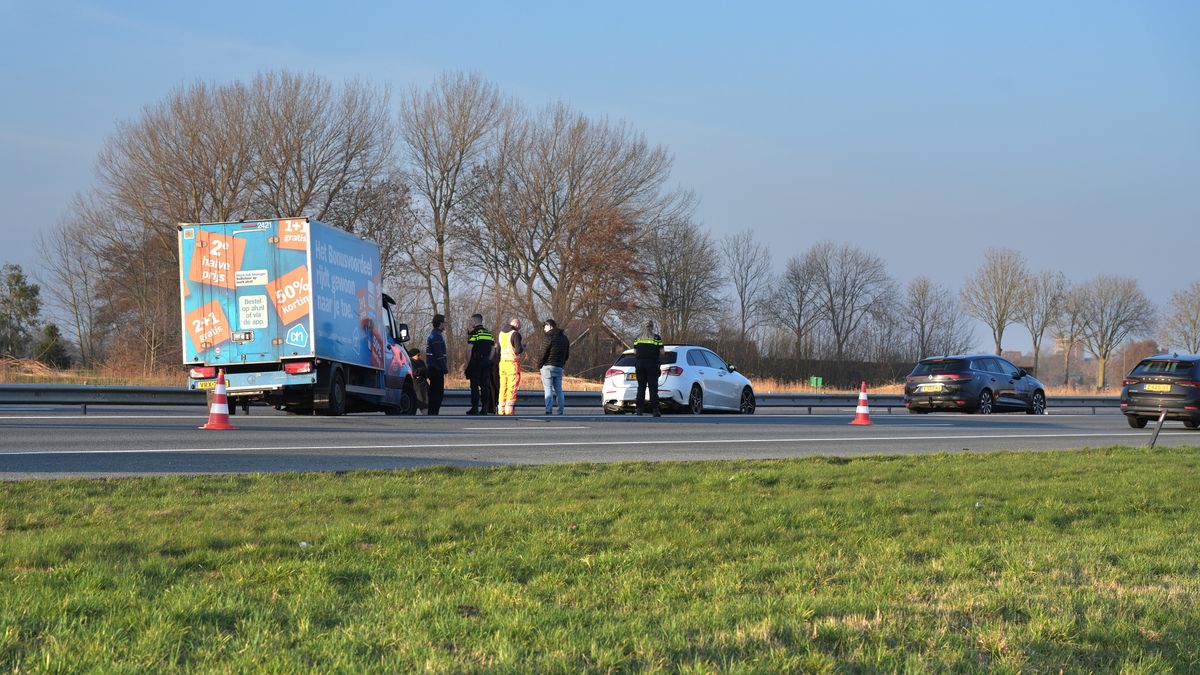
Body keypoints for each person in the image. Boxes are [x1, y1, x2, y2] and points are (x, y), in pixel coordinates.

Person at [463, 314, 495, 415]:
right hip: (486, 363)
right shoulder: (488, 333)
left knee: (474, 386)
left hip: (475, 363)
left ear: (474, 321)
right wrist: (488, 359)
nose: (470, 322)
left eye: (471, 321)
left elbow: (469, 350)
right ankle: (484, 408)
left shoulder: (474, 333)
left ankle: (475, 408)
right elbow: (493, 349)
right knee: (485, 386)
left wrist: (467, 363)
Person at [537, 318, 569, 415]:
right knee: (559, 389)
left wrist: (539, 364)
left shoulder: (548, 336)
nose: (544, 328)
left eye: (545, 326)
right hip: (559, 367)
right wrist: (561, 363)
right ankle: (560, 411)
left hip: (547, 367)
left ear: (550, 326)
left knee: (548, 388)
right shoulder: (564, 338)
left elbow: (543, 352)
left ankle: (548, 410)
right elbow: (567, 354)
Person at [633, 320, 664, 417]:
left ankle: (639, 410)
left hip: (640, 364)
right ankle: (655, 410)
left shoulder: (638, 338)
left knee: (641, 388)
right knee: (653, 388)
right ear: (652, 327)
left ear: (643, 327)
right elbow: (662, 352)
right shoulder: (656, 338)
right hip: (652, 364)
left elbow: (635, 352)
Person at [497, 318, 524, 415]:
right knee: (512, 386)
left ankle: (501, 409)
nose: (520, 328)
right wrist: (523, 348)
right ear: (517, 325)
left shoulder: (501, 334)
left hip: (502, 363)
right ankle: (509, 409)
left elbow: (497, 350)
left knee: (503, 386)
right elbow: (518, 350)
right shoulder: (515, 334)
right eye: (520, 326)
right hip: (512, 363)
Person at [425, 314, 448, 415]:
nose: (445, 325)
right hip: (436, 369)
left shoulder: (433, 334)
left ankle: (432, 412)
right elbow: (439, 355)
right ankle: (433, 413)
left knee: (434, 392)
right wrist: (444, 368)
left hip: (433, 368)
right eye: (444, 322)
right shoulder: (437, 336)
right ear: (440, 323)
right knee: (437, 393)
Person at [406, 347, 430, 414]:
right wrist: (422, 370)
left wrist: (422, 372)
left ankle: (426, 414)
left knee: (426, 400)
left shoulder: (421, 362)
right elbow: (414, 372)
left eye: (419, 355)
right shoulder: (410, 362)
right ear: (413, 355)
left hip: (424, 383)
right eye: (418, 355)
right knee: (422, 401)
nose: (419, 356)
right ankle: (424, 414)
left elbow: (426, 372)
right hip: (417, 385)